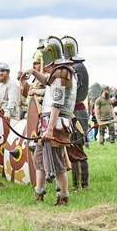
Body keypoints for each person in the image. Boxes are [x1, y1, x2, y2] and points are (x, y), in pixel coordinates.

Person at [22, 36, 76, 206]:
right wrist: (33, 72)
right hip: (47, 121)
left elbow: (57, 103)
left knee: (57, 161)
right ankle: (39, 193)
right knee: (39, 158)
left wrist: (50, 128)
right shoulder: (56, 72)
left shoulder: (62, 72)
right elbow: (46, 81)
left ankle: (63, 197)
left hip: (56, 123)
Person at [61, 35, 90, 191]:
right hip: (73, 111)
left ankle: (82, 185)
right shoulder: (74, 66)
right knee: (71, 147)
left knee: (77, 148)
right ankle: (76, 185)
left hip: (76, 112)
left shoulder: (76, 68)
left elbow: (70, 90)